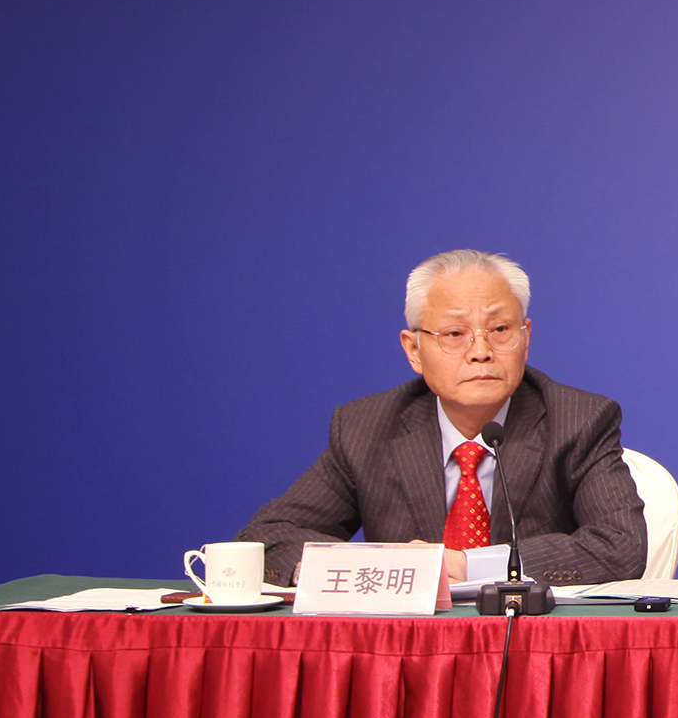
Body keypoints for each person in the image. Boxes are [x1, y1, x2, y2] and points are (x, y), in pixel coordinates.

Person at [241, 249, 646, 587]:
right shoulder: (366, 427)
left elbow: (621, 547)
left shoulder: (577, 420)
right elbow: (264, 539)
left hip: (528, 641)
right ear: (414, 350)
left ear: (525, 338)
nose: (481, 352)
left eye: (500, 329)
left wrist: (467, 566)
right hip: (406, 646)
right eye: (455, 334)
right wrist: (365, 567)